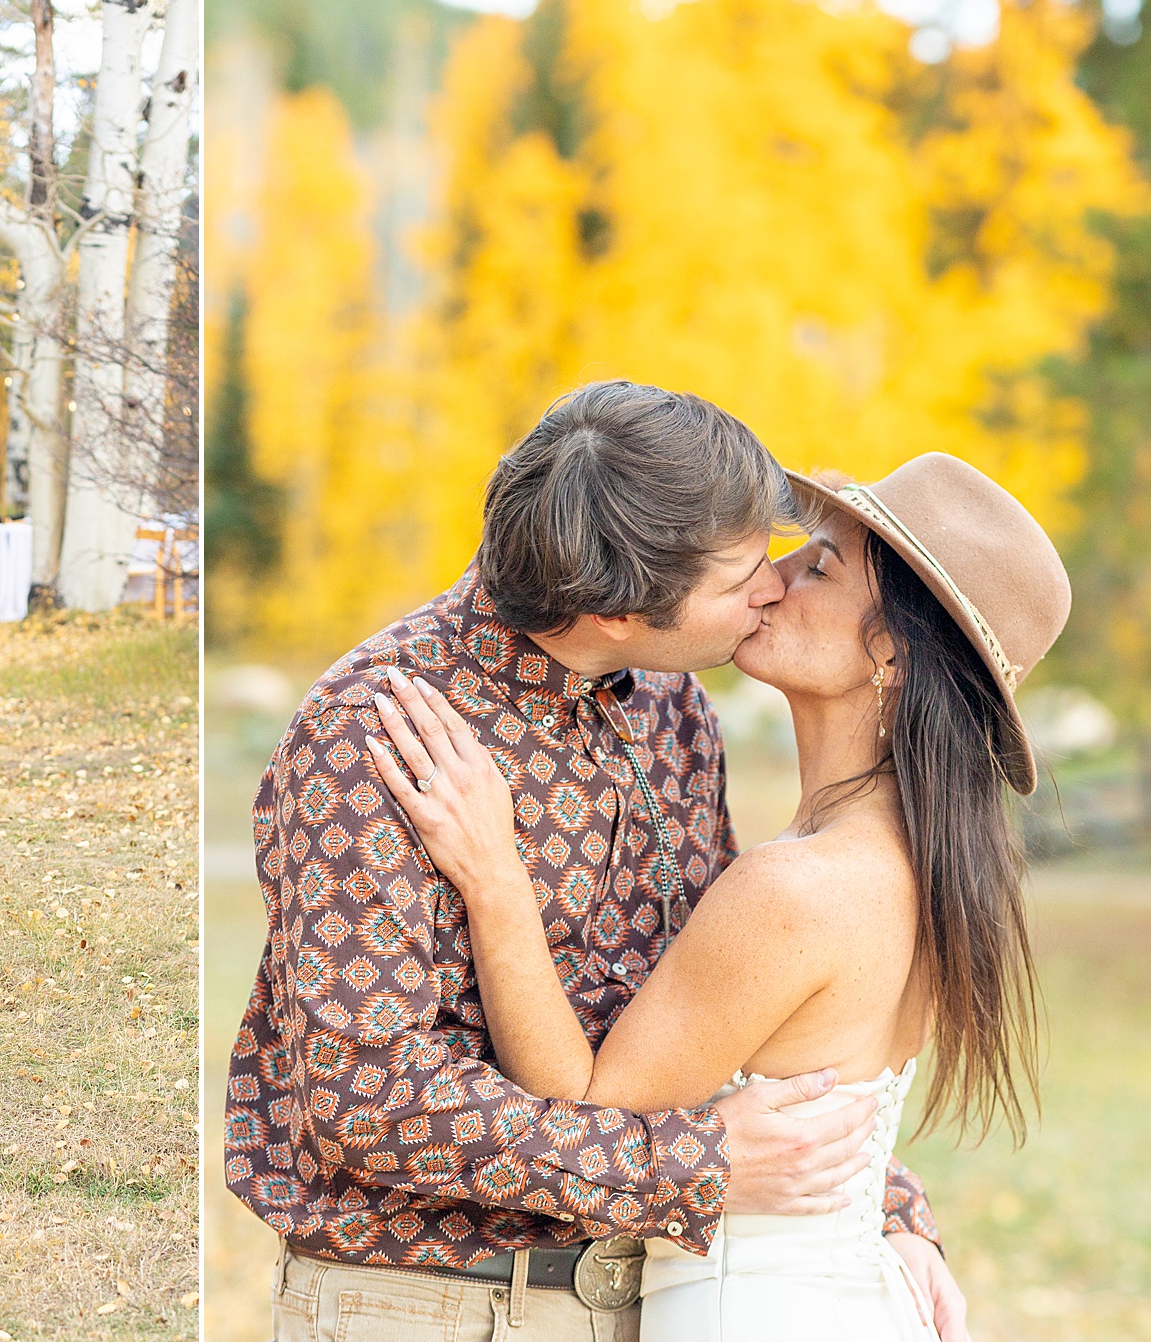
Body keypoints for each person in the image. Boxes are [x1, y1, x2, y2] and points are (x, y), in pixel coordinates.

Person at [226, 382, 969, 1342]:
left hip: (650, 1295)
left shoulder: (667, 705)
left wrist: (883, 1207)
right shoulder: (377, 738)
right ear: (617, 611)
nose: (776, 584)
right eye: (743, 573)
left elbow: (725, 1004)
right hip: (435, 1308)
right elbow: (369, 1100)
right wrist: (693, 1169)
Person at [369, 451, 1063, 1340]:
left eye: (818, 566)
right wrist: (898, 1214)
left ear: (887, 644)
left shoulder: (799, 887)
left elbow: (586, 1107)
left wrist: (494, 875)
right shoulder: (919, 861)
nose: (773, 581)